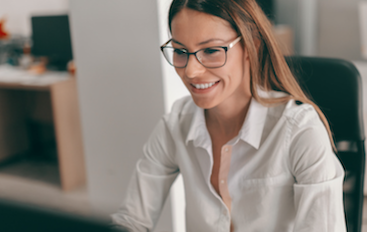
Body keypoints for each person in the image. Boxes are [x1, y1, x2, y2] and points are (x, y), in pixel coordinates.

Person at [111, 0, 346, 231]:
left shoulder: (300, 131)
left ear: (251, 46)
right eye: (181, 51)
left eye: (211, 50)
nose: (191, 71)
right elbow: (132, 220)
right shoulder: (176, 124)